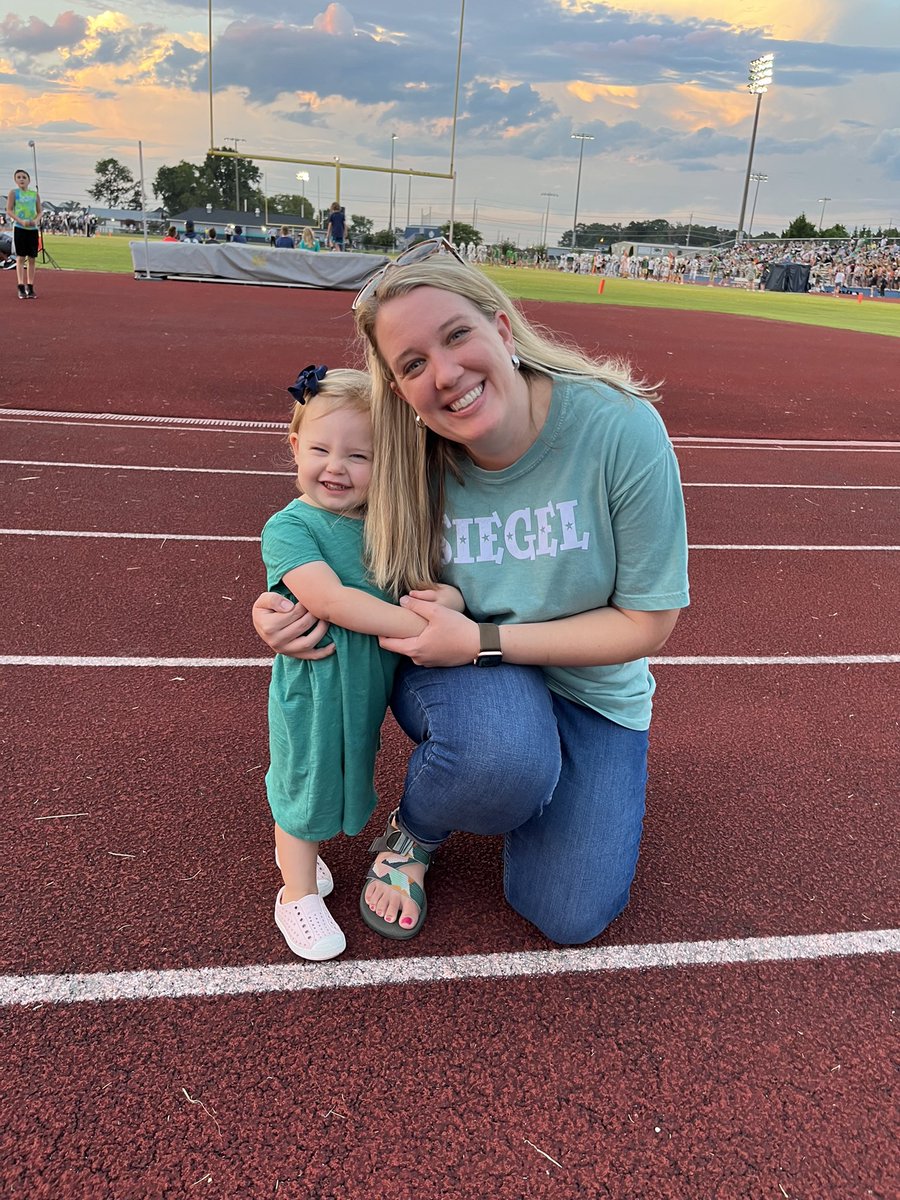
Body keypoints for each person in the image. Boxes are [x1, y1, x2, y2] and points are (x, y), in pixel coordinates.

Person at [253, 239, 689, 947]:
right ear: (397, 389)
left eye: (458, 336)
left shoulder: (618, 428)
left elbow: (648, 623)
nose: (446, 375)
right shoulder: (408, 454)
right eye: (413, 364)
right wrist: (276, 603)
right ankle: (417, 831)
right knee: (502, 758)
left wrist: (485, 637)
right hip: (464, 677)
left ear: (502, 328)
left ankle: (533, 776)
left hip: (586, 684)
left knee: (569, 915)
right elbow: (319, 521)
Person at [262, 364, 464, 960]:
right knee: (304, 780)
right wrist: (430, 627)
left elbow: (423, 582)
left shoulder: (384, 525)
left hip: (363, 687)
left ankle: (306, 864)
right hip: (316, 683)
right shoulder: (290, 526)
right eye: (321, 449)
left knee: (344, 772)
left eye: (359, 456)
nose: (337, 468)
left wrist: (446, 601)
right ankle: (295, 891)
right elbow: (330, 600)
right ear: (295, 446)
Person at [6, 168, 42, 299]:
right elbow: (9, 210)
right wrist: (20, 221)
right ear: (15, 180)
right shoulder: (13, 193)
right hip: (20, 228)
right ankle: (20, 286)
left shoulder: (34, 194)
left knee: (32, 258)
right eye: (19, 177)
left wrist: (35, 221)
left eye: (24, 177)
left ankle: (30, 286)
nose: (21, 179)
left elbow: (40, 211)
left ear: (29, 180)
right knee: (21, 257)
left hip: (32, 230)